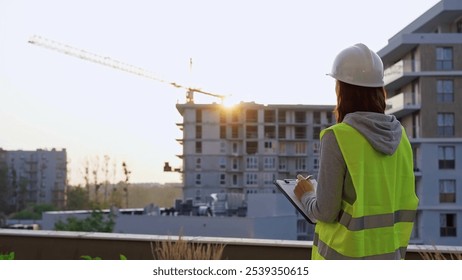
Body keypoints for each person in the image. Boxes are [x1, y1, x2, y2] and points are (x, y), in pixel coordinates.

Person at [294, 43, 419, 260]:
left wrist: (305, 194)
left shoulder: (338, 137)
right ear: (380, 90)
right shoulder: (401, 137)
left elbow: (325, 212)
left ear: (341, 90)